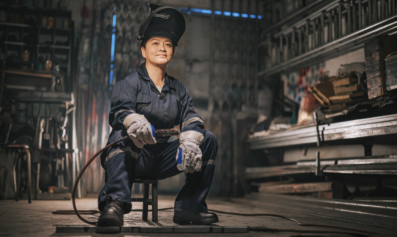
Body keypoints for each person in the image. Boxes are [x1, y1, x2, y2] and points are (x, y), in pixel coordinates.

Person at [97, 5, 218, 227]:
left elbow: (192, 118)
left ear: (172, 51)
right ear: (143, 50)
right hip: (135, 157)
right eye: (155, 43)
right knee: (119, 134)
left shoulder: (178, 89)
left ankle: (189, 208)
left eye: (168, 44)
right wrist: (134, 122)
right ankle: (114, 204)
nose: (162, 48)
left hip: (164, 158)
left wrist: (190, 140)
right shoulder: (128, 83)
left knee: (208, 138)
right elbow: (120, 111)